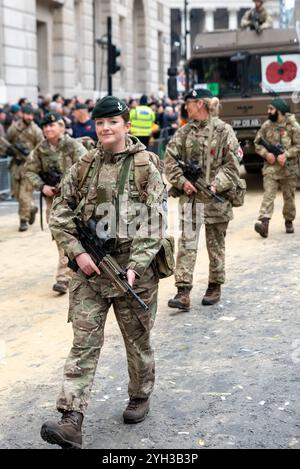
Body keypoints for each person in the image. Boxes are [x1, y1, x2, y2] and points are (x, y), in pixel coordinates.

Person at [40, 96, 166, 449]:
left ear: (126, 125)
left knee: (137, 341)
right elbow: (60, 211)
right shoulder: (84, 163)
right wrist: (77, 254)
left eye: (112, 122)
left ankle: (140, 395)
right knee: (84, 344)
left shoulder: (145, 165)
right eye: (99, 123)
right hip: (89, 270)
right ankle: (71, 419)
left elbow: (155, 223)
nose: (105, 129)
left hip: (130, 272)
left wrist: (136, 267)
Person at [165, 88, 240, 309]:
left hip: (216, 199)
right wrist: (181, 182)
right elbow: (169, 160)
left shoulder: (223, 131)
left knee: (215, 245)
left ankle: (214, 285)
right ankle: (183, 291)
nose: (185, 106)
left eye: (188, 102)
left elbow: (232, 165)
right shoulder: (183, 132)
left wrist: (216, 184)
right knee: (186, 244)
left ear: (199, 103)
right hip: (191, 200)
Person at [25, 112, 87, 294]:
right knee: (61, 236)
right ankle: (68, 272)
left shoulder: (73, 146)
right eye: (45, 127)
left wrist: (67, 185)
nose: (47, 129)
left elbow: (85, 168)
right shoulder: (40, 149)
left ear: (61, 126)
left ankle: (64, 276)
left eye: (51, 125)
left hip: (74, 201)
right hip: (53, 202)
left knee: (76, 235)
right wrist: (42, 186)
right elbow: (29, 170)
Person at [254, 98, 300, 238]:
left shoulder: (293, 126)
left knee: (289, 198)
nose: (268, 111)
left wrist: (286, 154)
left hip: (288, 168)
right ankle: (264, 223)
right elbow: (257, 143)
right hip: (271, 168)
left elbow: (298, 146)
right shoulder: (267, 125)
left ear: (279, 111)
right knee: (268, 194)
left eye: (271, 109)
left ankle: (289, 220)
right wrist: (266, 154)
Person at [0, 105, 43, 232]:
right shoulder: (14, 128)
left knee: (25, 195)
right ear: (22, 114)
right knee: (17, 195)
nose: (29, 117)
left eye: (31, 115)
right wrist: (10, 151)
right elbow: (5, 142)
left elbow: (41, 148)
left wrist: (34, 159)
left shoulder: (36, 130)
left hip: (29, 167)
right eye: (27, 114)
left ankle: (23, 220)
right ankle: (31, 208)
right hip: (15, 165)